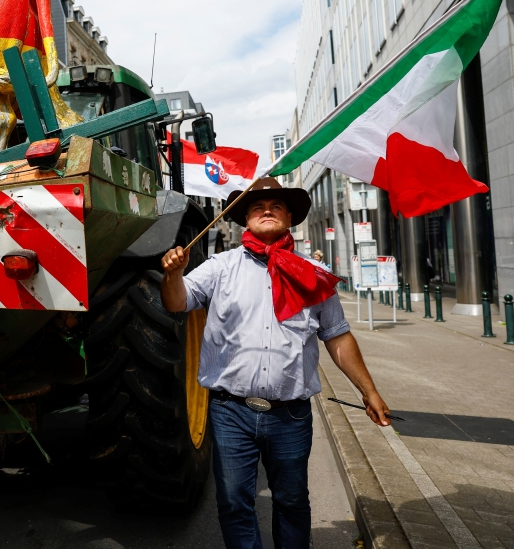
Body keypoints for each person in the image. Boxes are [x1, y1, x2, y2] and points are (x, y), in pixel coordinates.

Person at [160, 177, 390, 549]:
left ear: (289, 218)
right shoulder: (220, 267)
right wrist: (172, 274)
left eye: (276, 206)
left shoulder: (312, 276)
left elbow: (337, 336)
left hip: (291, 416)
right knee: (234, 503)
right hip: (230, 411)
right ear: (245, 220)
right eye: (256, 206)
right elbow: (176, 302)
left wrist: (370, 391)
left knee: (292, 501)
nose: (266, 210)